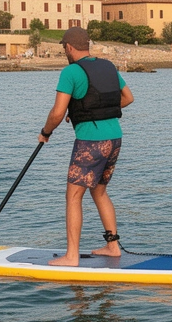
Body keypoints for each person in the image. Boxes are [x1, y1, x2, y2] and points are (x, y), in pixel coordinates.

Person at [40, 27, 134, 267]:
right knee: (99, 191)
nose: (65, 52)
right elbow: (127, 98)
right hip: (114, 138)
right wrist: (88, 113)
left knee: (73, 195)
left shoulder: (71, 71)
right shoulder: (108, 66)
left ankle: (71, 256)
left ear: (69, 47)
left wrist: (45, 133)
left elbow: (58, 113)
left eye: (64, 48)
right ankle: (112, 246)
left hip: (91, 142)